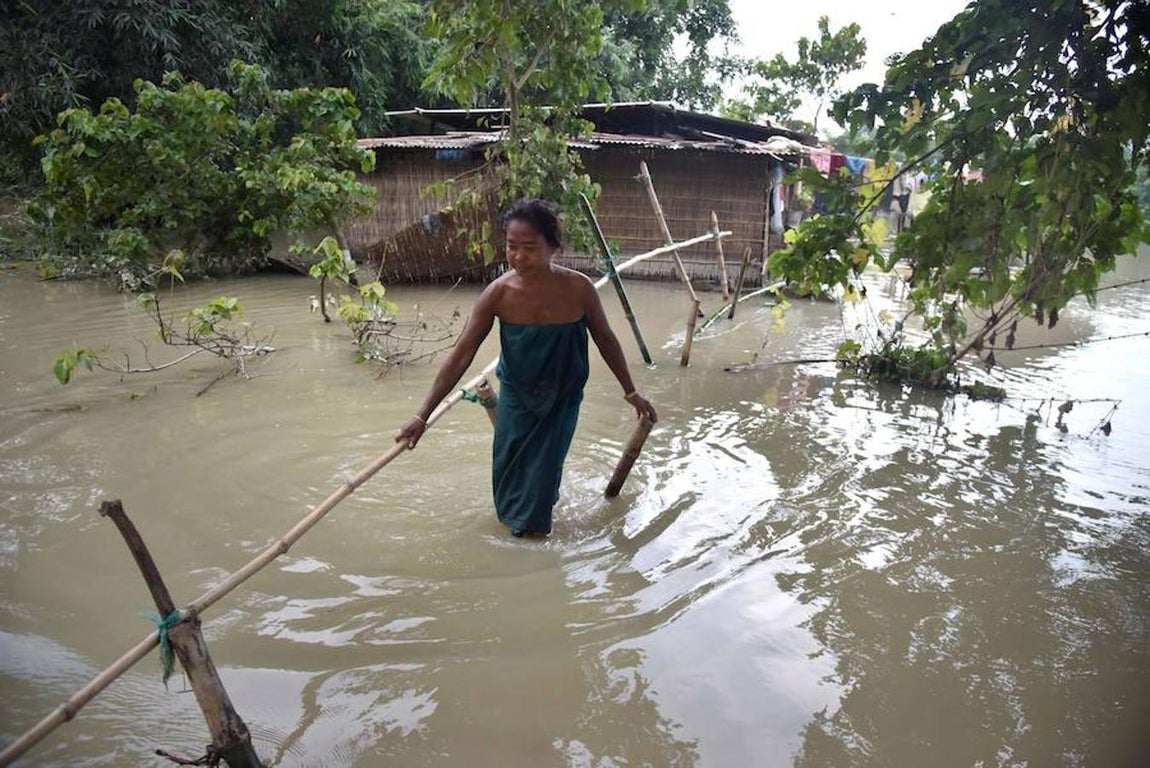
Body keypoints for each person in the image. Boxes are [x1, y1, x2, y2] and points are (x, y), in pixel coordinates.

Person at [395, 198, 658, 537]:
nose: (518, 256)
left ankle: (532, 544)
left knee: (544, 471)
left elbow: (606, 340)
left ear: (553, 246)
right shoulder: (498, 294)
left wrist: (632, 392)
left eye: (529, 248)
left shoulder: (579, 289)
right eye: (511, 247)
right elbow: (461, 355)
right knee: (508, 473)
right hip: (517, 398)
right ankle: (521, 534)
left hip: (562, 398)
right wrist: (422, 416)